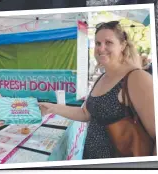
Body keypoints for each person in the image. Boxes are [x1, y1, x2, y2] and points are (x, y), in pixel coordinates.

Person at [39, 21, 156, 159]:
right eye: (98, 43)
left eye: (108, 42)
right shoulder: (102, 78)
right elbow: (86, 114)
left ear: (123, 45)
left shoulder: (136, 77)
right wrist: (52, 108)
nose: (101, 48)